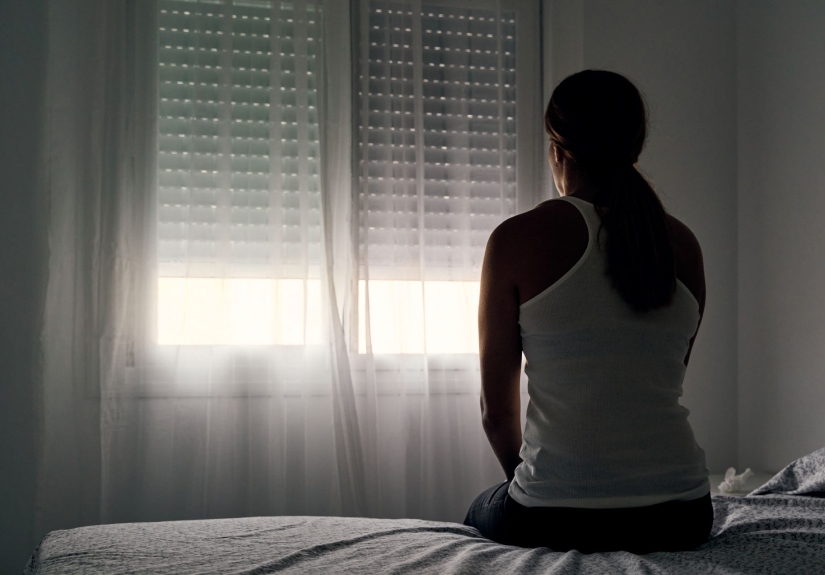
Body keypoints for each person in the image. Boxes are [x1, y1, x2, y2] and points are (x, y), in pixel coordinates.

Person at [464, 70, 713, 554]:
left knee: (478, 510)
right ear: (635, 148)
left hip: (553, 520)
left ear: (557, 148)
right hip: (683, 515)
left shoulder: (516, 240)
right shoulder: (683, 244)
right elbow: (657, 380)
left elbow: (496, 414)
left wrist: (541, 486)